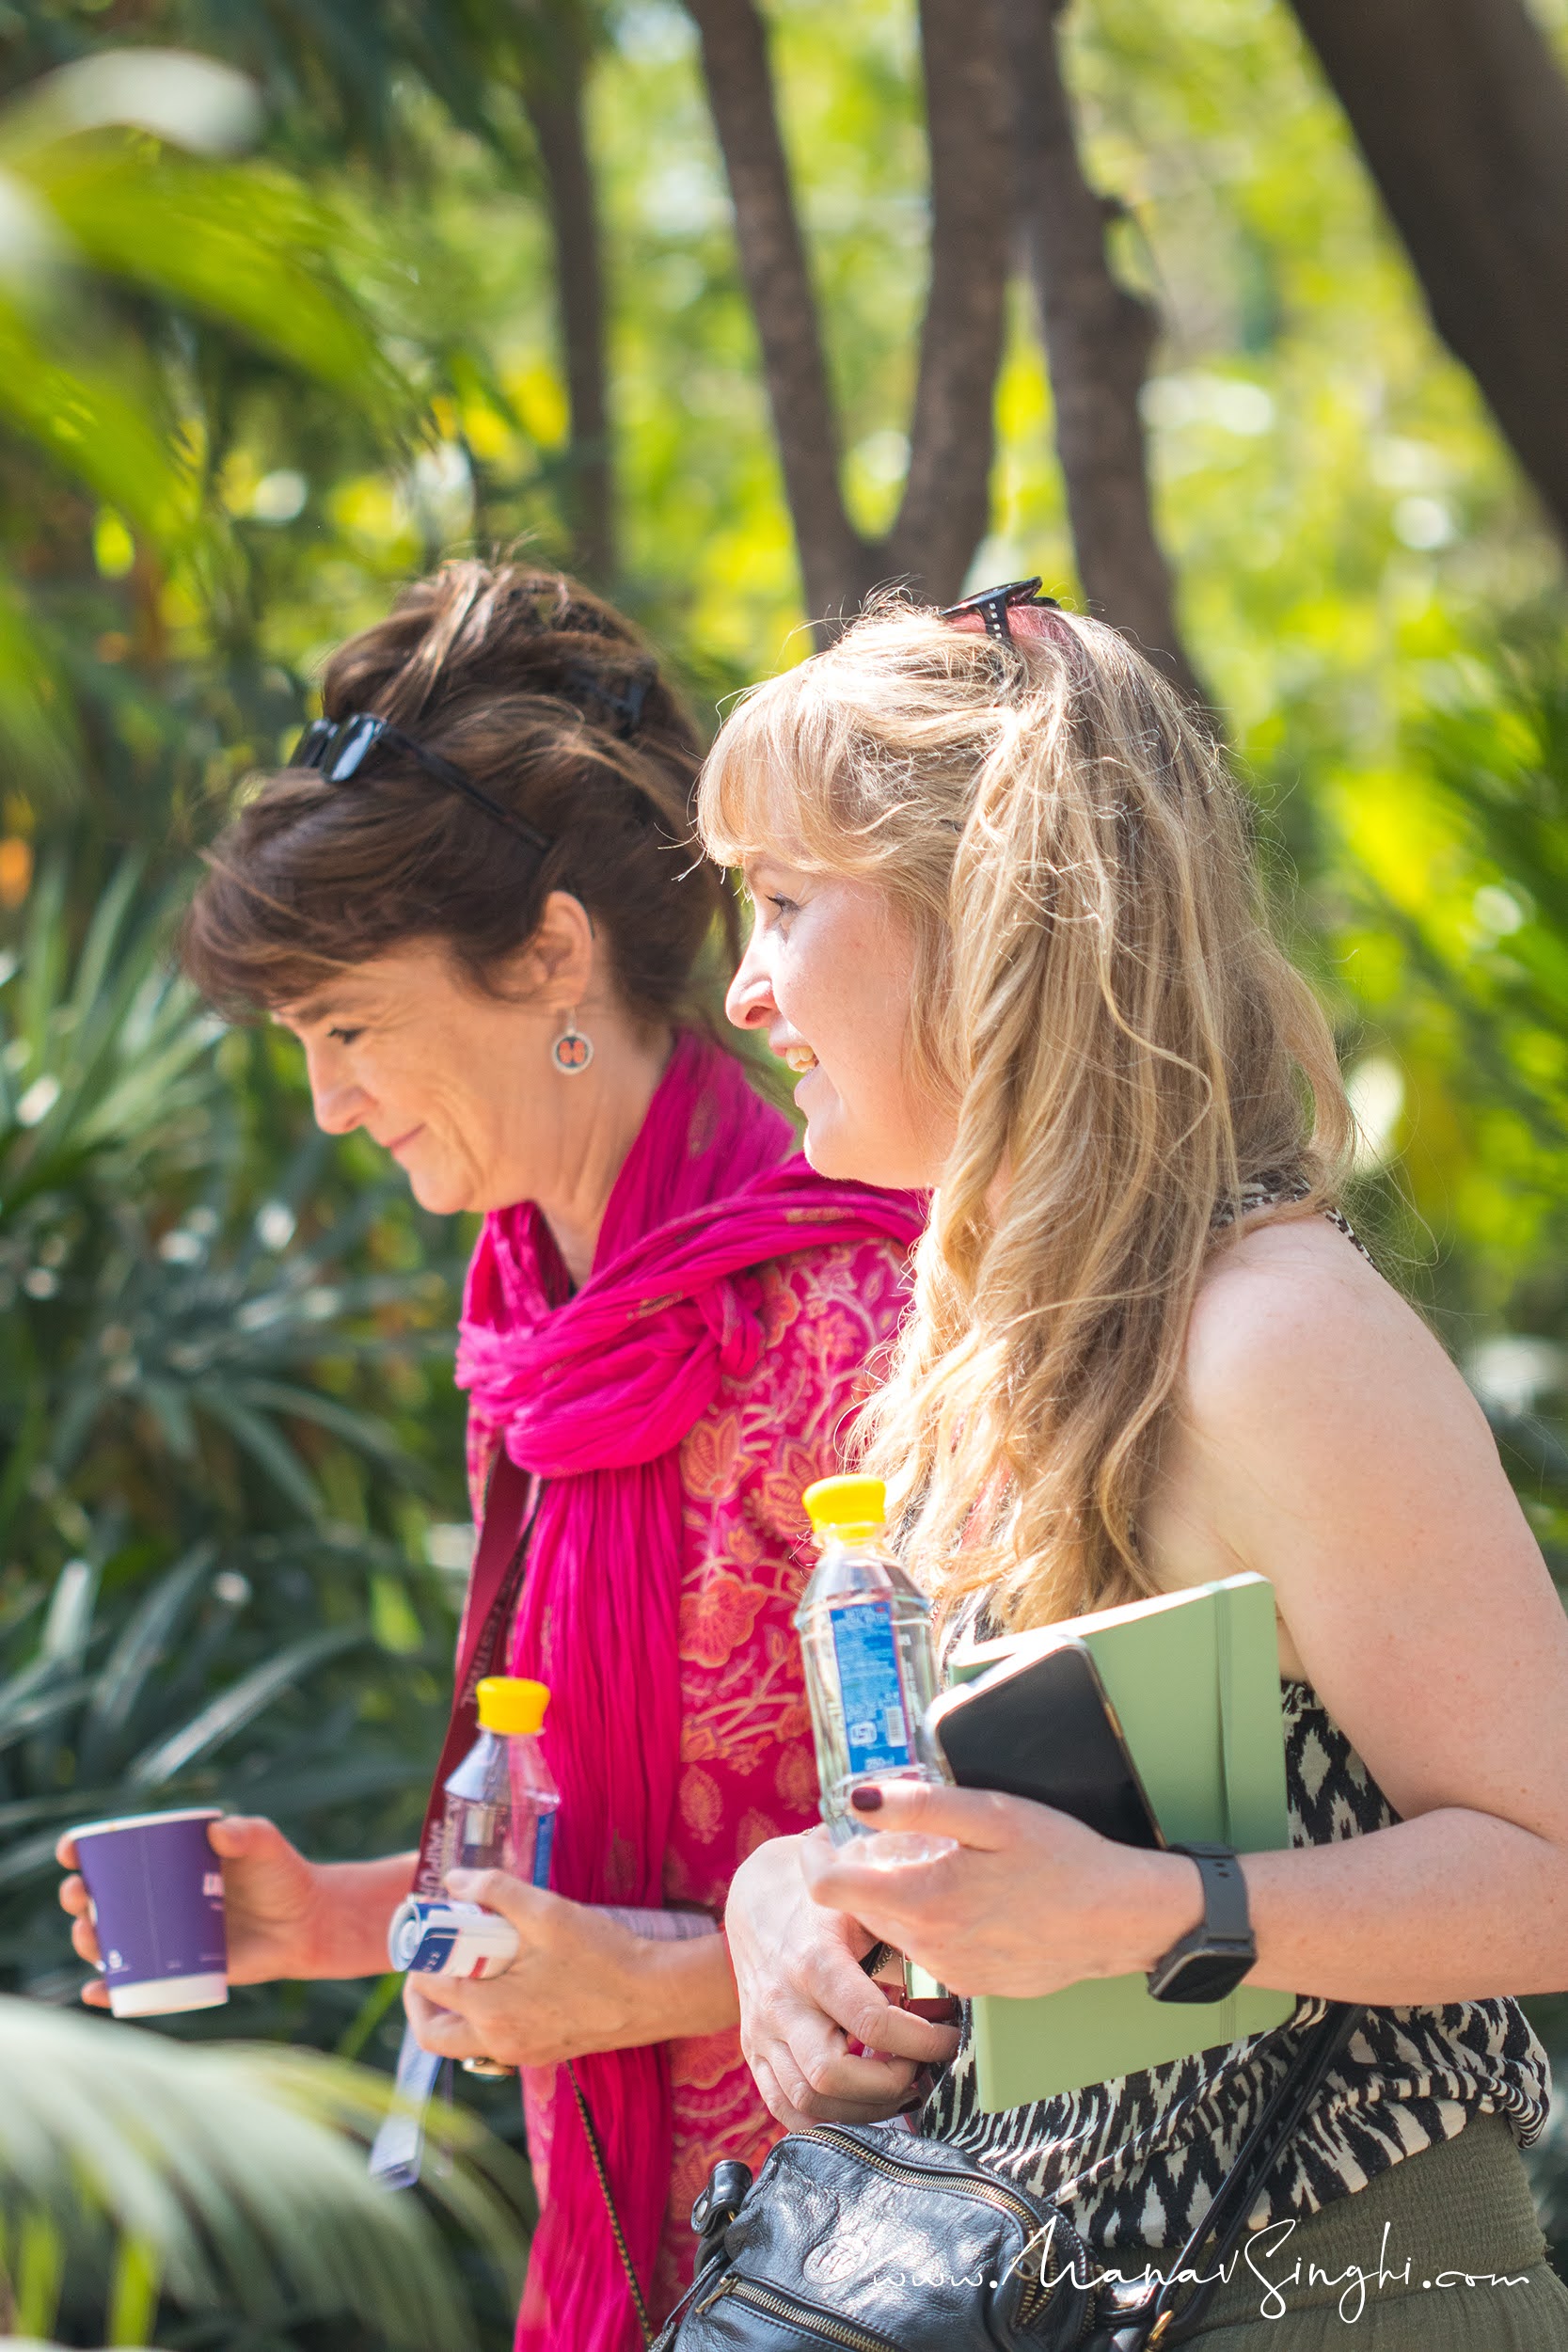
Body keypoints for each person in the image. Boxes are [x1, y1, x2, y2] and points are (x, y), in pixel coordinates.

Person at [57, 562, 922, 2349]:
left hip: (885, 2263)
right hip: (647, 2253)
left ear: (549, 953)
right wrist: (337, 1918)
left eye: (349, 1028)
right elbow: (609, 1878)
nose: (331, 1105)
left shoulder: (848, 1315)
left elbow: (1024, 1898)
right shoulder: (536, 1314)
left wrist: (639, 1992)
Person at [698, 582, 1568, 2346]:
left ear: (984, 924)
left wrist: (1154, 1915)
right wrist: (784, 1903)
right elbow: (998, 1841)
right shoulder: (984, 1328)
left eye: (785, 906)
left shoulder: (1271, 1338)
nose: (745, 983)